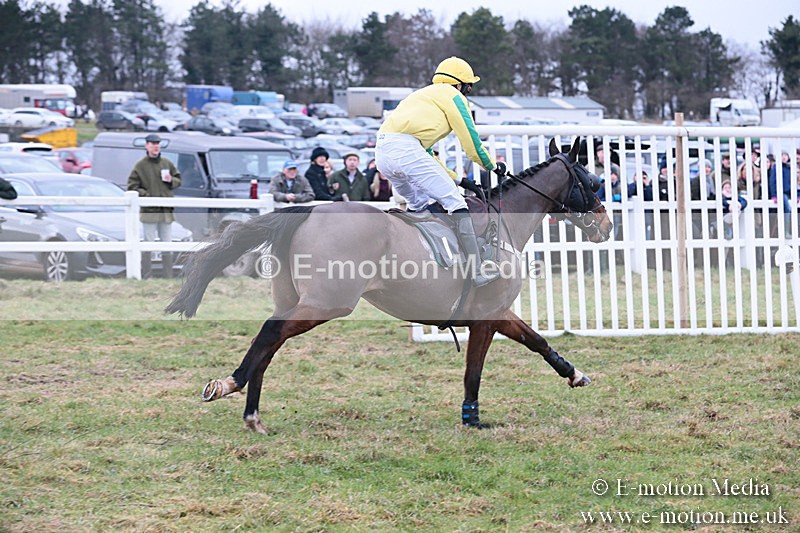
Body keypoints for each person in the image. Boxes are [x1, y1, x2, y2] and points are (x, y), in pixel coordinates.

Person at [375, 56, 506, 287]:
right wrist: (492, 165)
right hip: (406, 151)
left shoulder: (422, 95)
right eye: (468, 87)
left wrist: (460, 180)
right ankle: (476, 270)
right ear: (460, 85)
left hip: (384, 153)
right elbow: (472, 143)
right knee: (456, 204)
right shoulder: (454, 97)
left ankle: (423, 261)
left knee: (419, 205)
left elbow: (427, 154)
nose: (467, 92)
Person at [127, 133, 181, 278]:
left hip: (166, 211)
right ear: (147, 146)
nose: (155, 146)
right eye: (152, 143)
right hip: (149, 211)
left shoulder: (167, 163)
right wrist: (146, 195)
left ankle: (168, 275)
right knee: (148, 244)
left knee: (167, 244)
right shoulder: (140, 165)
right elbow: (132, 186)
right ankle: (147, 275)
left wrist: (171, 181)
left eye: (157, 143)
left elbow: (178, 179)